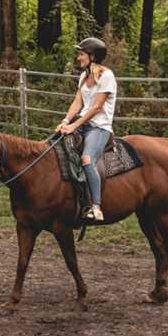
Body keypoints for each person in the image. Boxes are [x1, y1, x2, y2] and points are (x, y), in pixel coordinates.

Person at [55, 37, 118, 222]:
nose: (78, 58)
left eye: (81, 54)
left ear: (92, 56)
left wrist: (75, 125)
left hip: (99, 128)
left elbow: (97, 107)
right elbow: (78, 102)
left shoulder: (107, 76)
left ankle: (96, 207)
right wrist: (65, 121)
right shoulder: (83, 77)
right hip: (82, 125)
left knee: (87, 159)